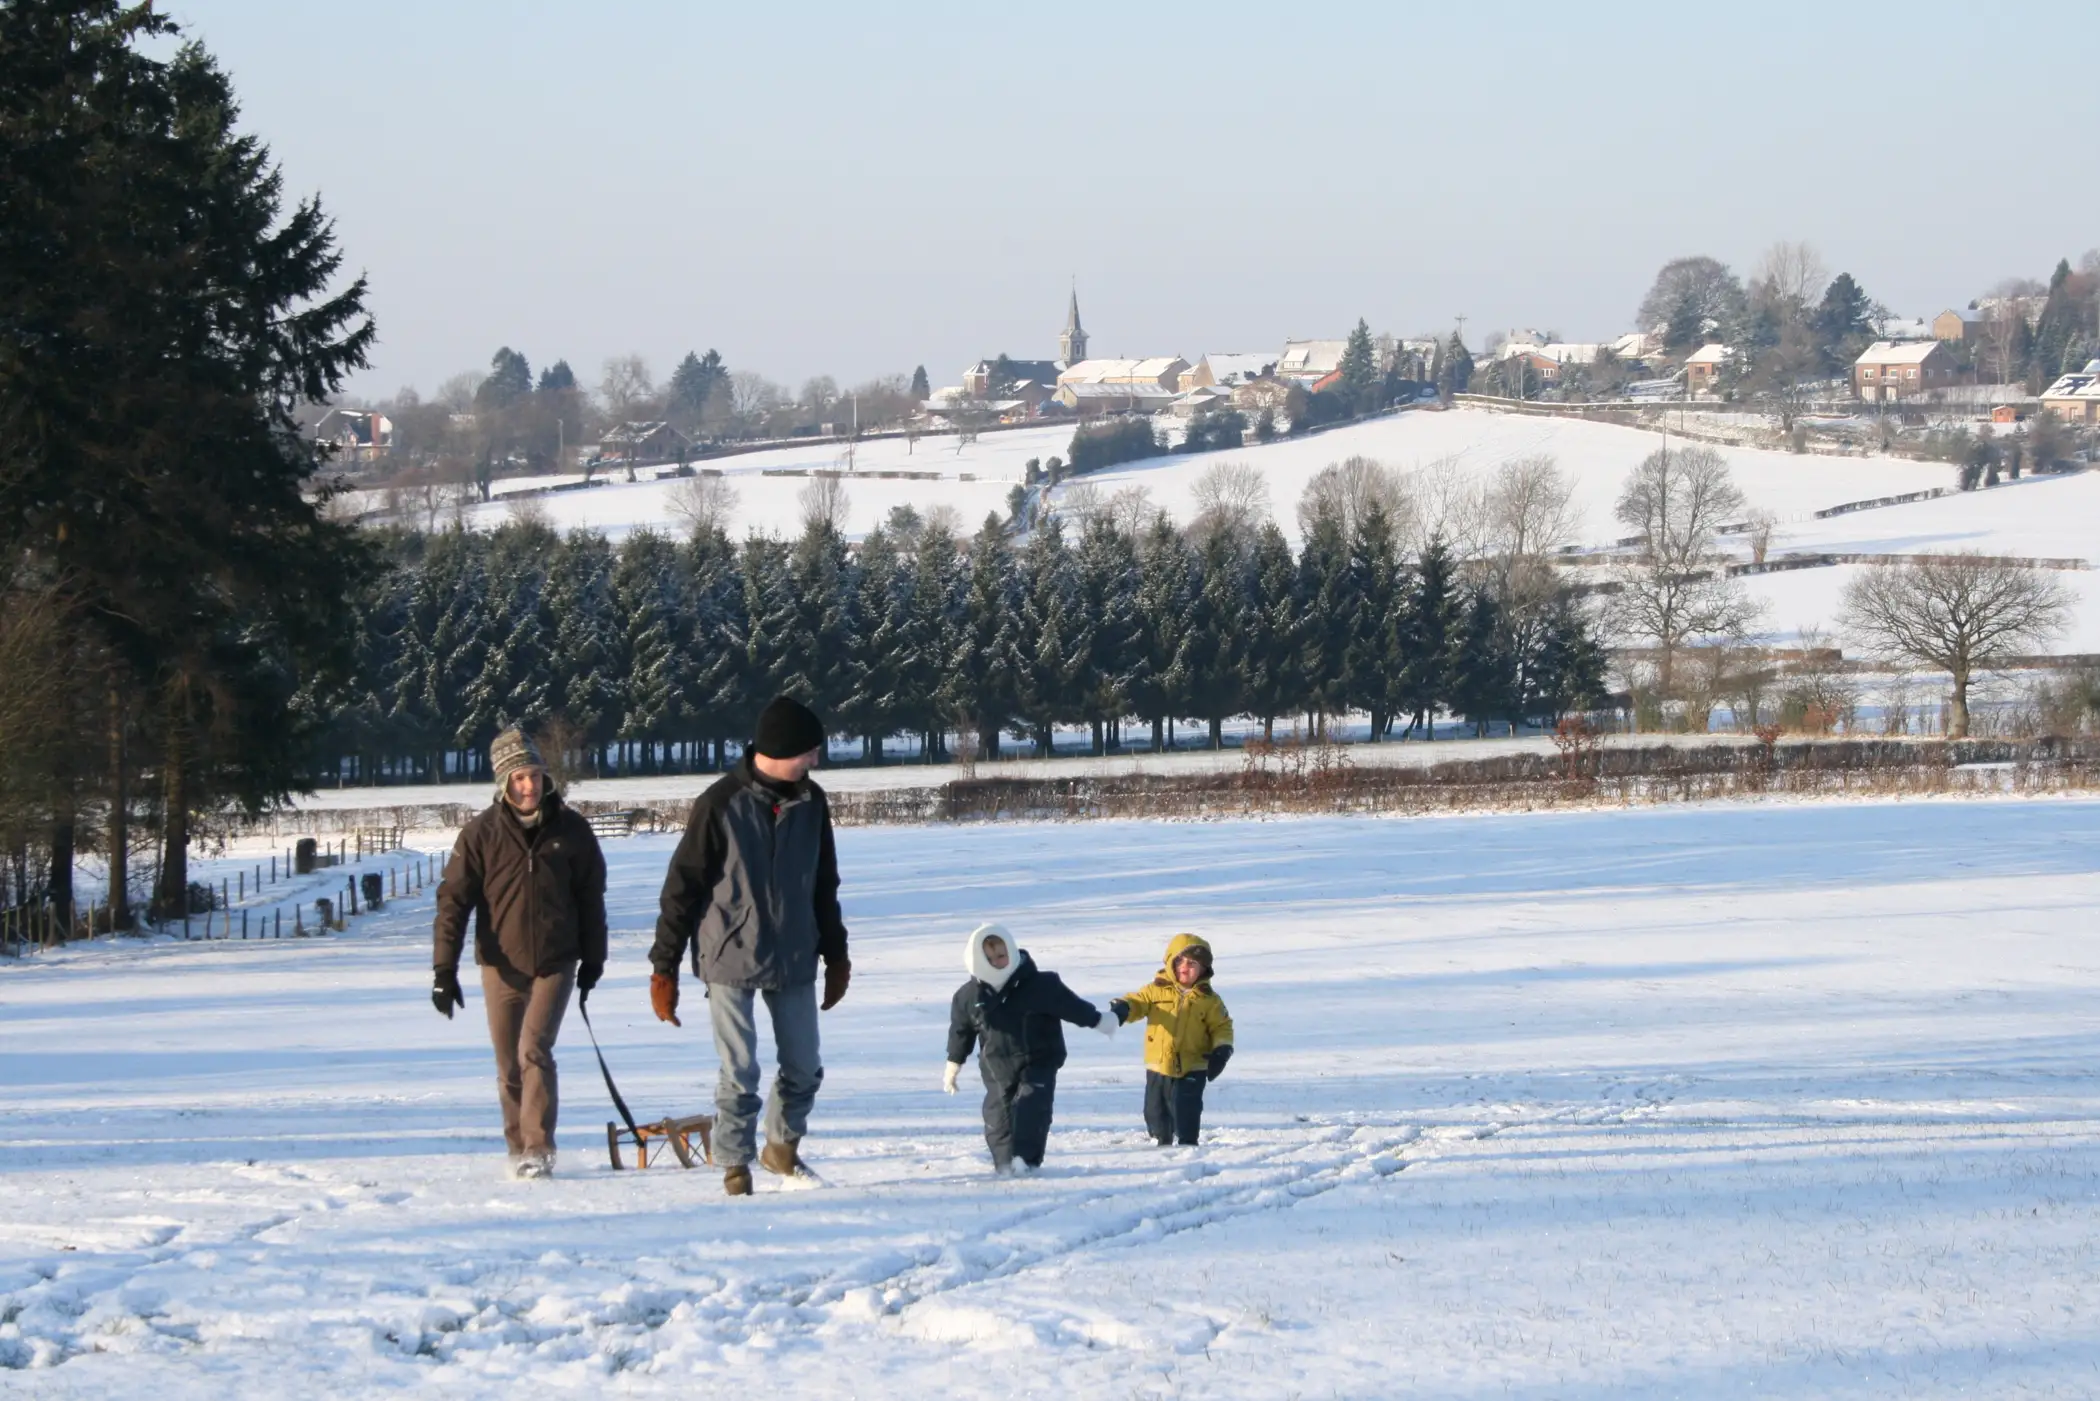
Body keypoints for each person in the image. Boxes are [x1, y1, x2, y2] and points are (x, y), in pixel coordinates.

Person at [649, 695, 851, 1198]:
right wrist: (664, 967)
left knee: (804, 1068)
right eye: (808, 751)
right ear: (779, 750)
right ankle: (735, 1164)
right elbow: (681, 889)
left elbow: (823, 883)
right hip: (729, 953)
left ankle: (781, 1146)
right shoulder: (719, 804)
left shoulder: (812, 802)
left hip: (795, 952)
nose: (815, 760)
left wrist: (836, 954)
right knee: (740, 1072)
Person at [432, 728, 608, 1179]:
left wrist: (594, 958)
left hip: (556, 959)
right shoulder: (481, 834)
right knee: (509, 1062)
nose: (528, 786)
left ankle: (538, 1149)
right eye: (518, 778)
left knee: (534, 1049)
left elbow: (591, 898)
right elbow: (453, 903)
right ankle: (518, 1151)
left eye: (534, 775)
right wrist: (444, 970)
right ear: (503, 783)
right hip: (501, 963)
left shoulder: (571, 829)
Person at [944, 923, 1114, 1174]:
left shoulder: (1040, 985)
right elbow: (961, 1031)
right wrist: (954, 1064)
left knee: (1031, 1106)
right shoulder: (968, 997)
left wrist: (1099, 1020)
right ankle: (1005, 1165)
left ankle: (1026, 1162)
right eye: (989, 959)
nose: (997, 962)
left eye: (1001, 955)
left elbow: (1071, 1007)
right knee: (997, 1118)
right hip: (996, 1067)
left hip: (1039, 1060)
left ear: (1011, 952)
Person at [1107, 934, 1234, 1147]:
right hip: (1158, 1063)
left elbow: (1222, 1026)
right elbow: (1138, 1002)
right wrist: (1124, 1008)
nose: (1185, 967)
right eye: (1180, 961)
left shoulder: (1210, 1001)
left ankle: (1187, 1143)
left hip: (1193, 1064)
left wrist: (1222, 1049)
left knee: (1186, 1108)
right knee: (1155, 1110)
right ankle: (1161, 1140)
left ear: (1203, 969)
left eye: (1192, 963)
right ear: (1170, 962)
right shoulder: (1155, 990)